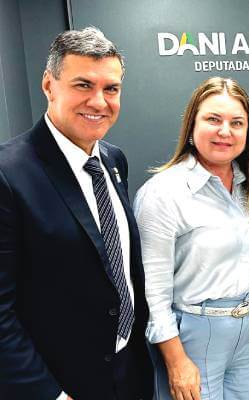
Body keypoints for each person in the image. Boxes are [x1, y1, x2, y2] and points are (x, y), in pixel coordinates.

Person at [0, 27, 153, 400]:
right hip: (60, 383)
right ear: (49, 86)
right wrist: (49, 394)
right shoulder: (8, 174)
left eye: (111, 89)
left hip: (127, 371)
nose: (99, 101)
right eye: (83, 85)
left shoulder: (113, 160)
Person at [134, 77, 249, 400]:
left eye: (237, 123)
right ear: (192, 123)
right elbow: (153, 294)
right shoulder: (163, 193)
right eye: (213, 119)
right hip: (195, 336)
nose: (225, 131)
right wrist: (176, 360)